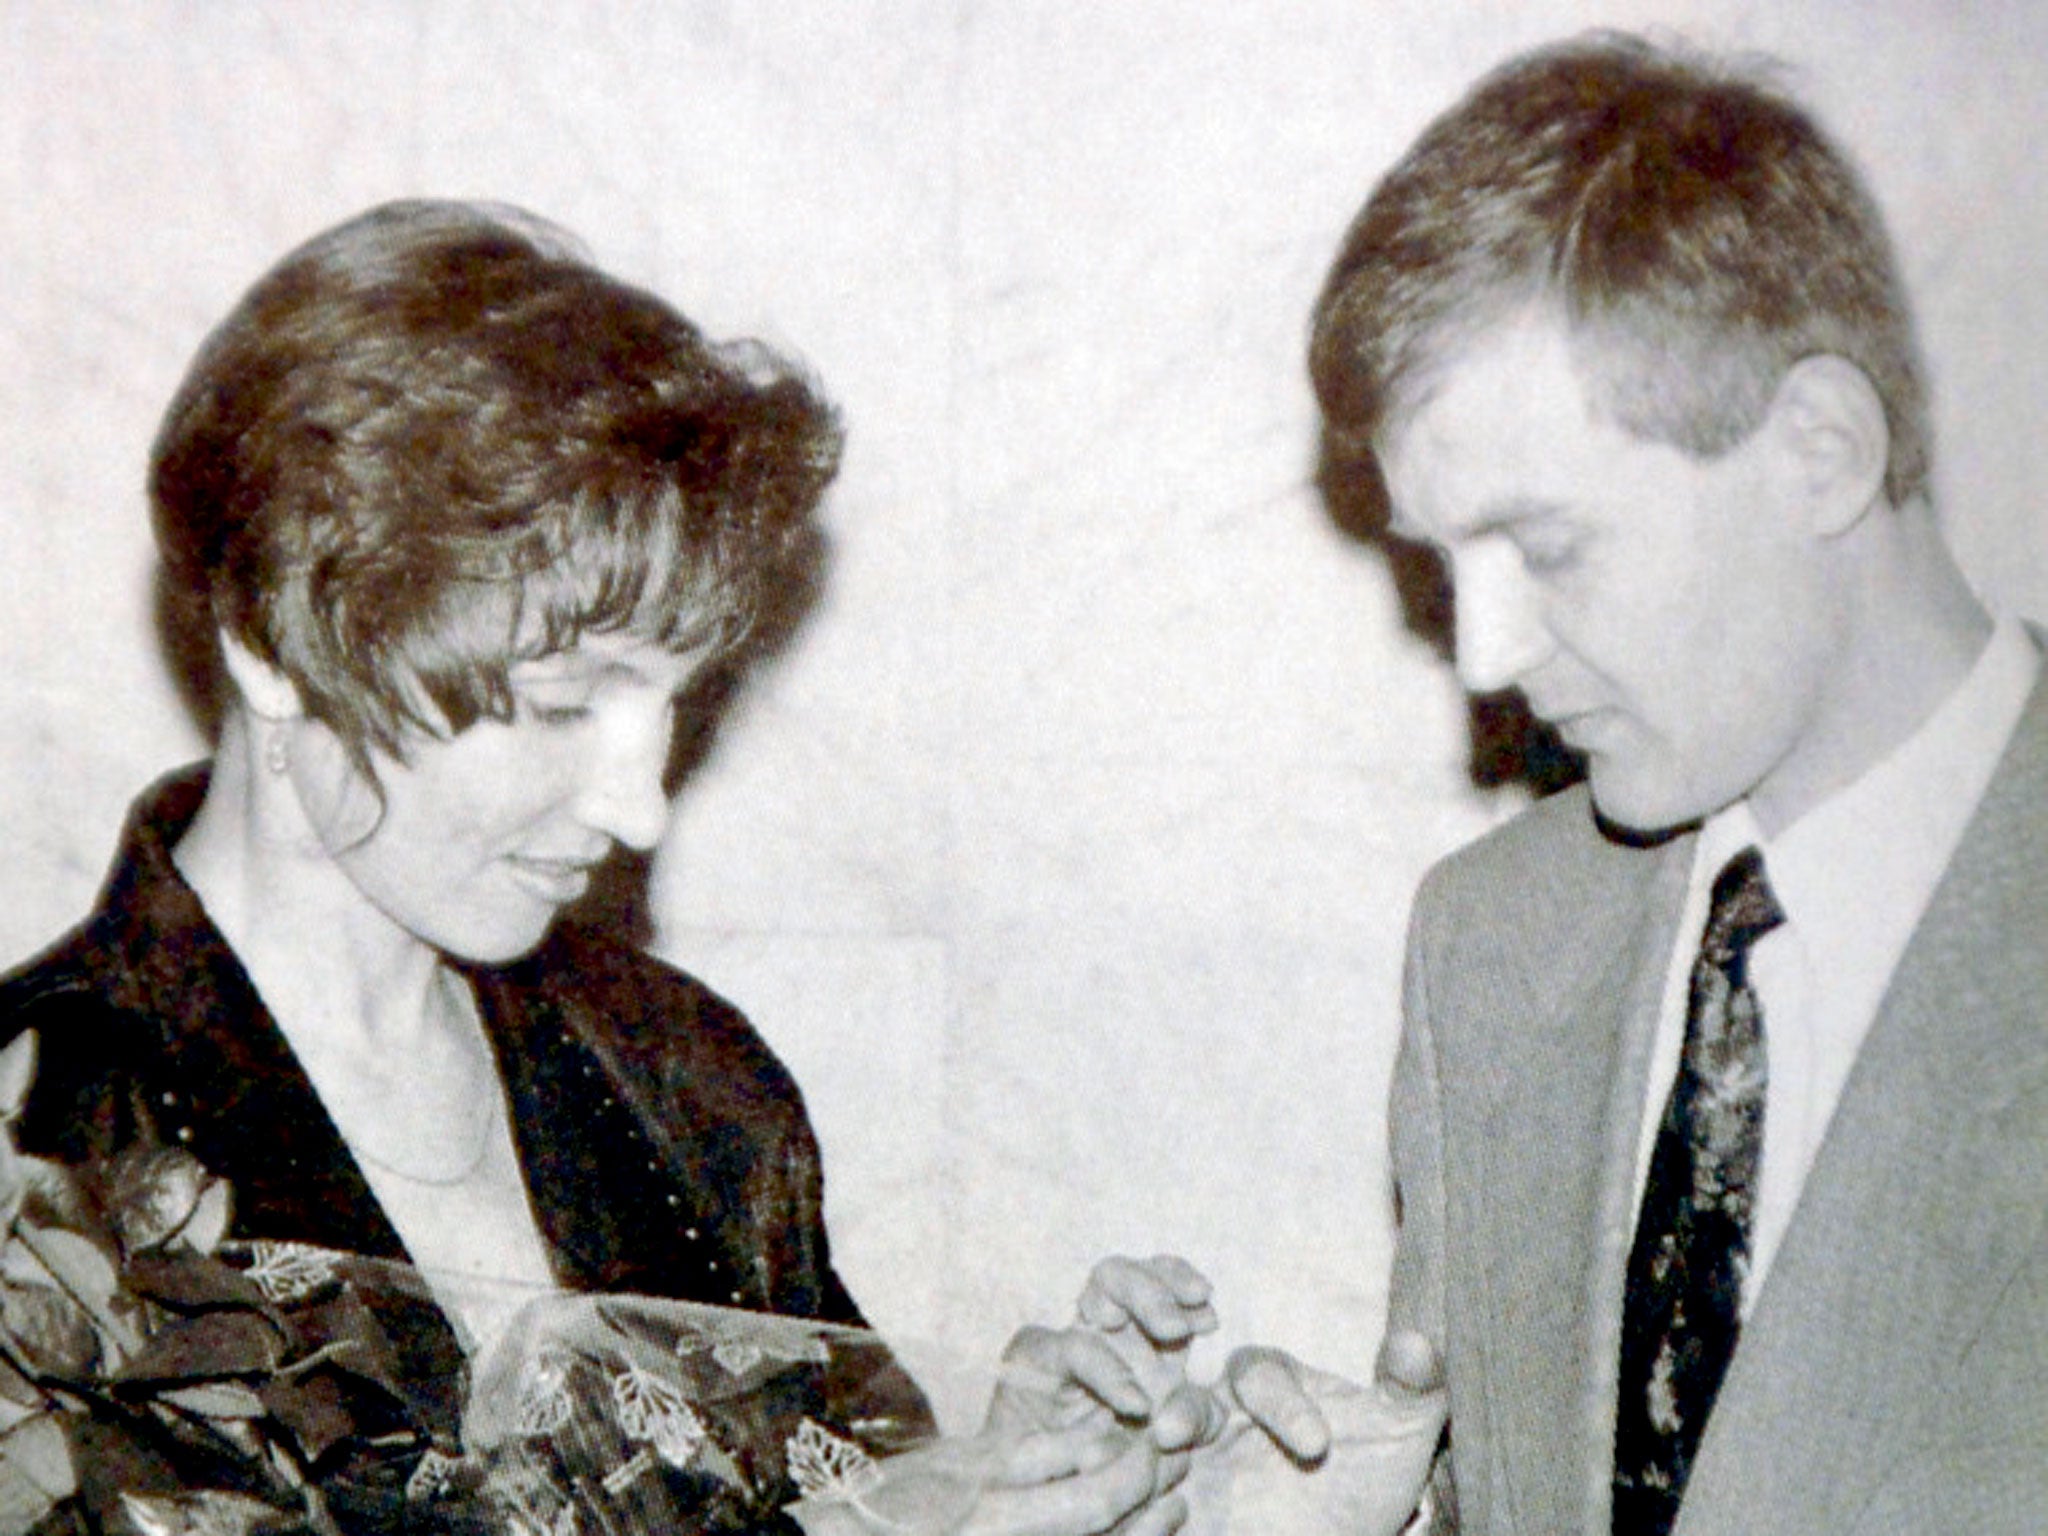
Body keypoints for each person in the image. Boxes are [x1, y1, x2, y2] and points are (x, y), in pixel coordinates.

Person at [0, 200, 1211, 1535]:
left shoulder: (691, 1091)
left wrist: (1016, 1474)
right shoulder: (35, 1159)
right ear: (272, 640)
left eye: (675, 705)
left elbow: (844, 1499)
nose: (638, 808)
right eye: (568, 700)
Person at [1101, 29, 2048, 1536]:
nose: (1484, 662)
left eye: (1546, 548)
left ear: (1820, 450)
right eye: (1442, 564)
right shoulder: (1491, 943)